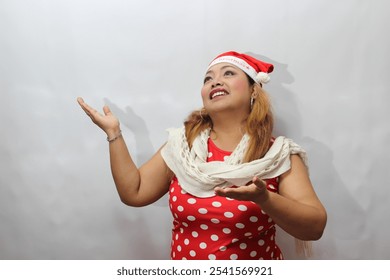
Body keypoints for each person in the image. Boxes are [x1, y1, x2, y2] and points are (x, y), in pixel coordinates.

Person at [77, 51, 327, 260]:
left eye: (229, 73)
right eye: (208, 78)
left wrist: (265, 199)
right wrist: (114, 133)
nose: (215, 81)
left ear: (254, 89)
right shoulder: (180, 149)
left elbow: (314, 227)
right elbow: (135, 192)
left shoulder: (278, 154)